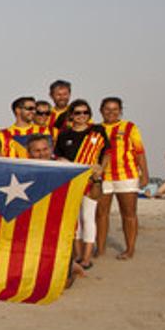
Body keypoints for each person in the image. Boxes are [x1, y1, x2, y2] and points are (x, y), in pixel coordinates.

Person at [55, 99, 110, 270]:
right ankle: (77, 255)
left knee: (88, 216)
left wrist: (101, 169)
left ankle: (87, 256)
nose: (82, 116)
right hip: (72, 180)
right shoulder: (64, 135)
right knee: (74, 219)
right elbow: (58, 156)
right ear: (71, 115)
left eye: (85, 112)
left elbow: (107, 153)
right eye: (78, 112)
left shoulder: (98, 130)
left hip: (92, 179)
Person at [95, 97, 148, 261]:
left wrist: (145, 174)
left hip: (126, 176)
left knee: (129, 214)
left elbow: (139, 152)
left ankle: (130, 249)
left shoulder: (129, 127)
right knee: (101, 214)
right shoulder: (95, 129)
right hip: (103, 177)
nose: (111, 112)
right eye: (107, 109)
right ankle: (101, 249)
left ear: (120, 111)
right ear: (101, 110)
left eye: (115, 109)